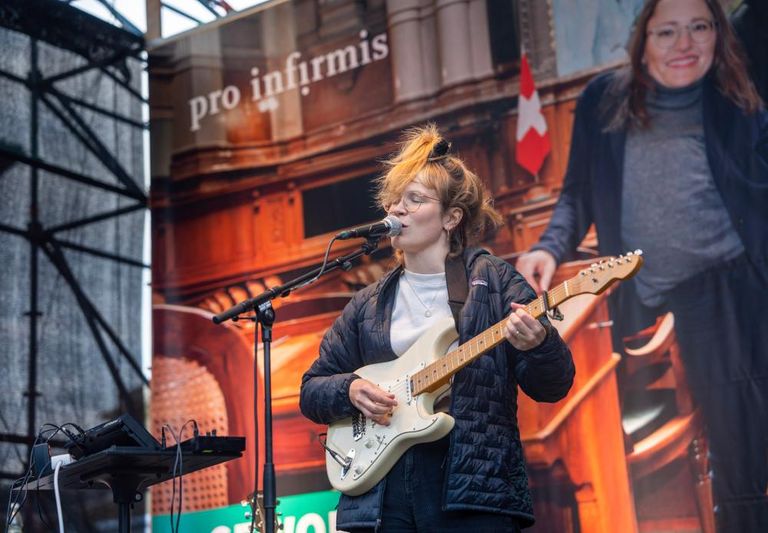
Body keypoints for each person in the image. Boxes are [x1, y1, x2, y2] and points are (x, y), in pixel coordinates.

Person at [516, 0, 768, 531]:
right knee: (740, 445)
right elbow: (576, 195)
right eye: (667, 31)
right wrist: (547, 248)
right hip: (669, 299)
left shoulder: (736, 94)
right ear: (642, 39)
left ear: (719, 34)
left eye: (700, 27)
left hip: (744, 279)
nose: (685, 44)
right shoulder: (602, 101)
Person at [300, 124, 575, 532]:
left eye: (415, 199)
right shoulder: (368, 303)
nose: (398, 210)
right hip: (383, 492)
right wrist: (351, 390)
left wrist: (539, 344)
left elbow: (553, 384)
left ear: (451, 217)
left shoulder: (494, 281)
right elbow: (312, 389)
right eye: (394, 200)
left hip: (471, 486)